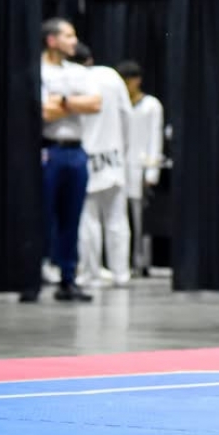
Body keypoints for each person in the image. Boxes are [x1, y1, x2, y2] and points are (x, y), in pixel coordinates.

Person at [38, 19, 101, 303]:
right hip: (49, 150)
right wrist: (75, 103)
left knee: (71, 217)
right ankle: (36, 273)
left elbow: (95, 103)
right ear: (52, 40)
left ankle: (68, 277)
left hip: (76, 152)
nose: (74, 41)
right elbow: (44, 112)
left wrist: (62, 101)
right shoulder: (40, 71)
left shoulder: (78, 72)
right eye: (68, 35)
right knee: (44, 214)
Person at [72, 44, 133, 289]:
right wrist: (122, 147)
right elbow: (127, 114)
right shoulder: (110, 76)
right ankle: (121, 273)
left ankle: (91, 273)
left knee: (88, 220)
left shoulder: (72, 80)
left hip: (84, 154)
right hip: (113, 155)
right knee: (117, 219)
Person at [116, 60, 165, 276]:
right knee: (119, 218)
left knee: (141, 220)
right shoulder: (119, 105)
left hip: (141, 167)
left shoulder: (151, 105)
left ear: (137, 81)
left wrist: (152, 170)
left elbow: (155, 136)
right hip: (119, 166)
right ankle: (121, 263)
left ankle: (141, 261)